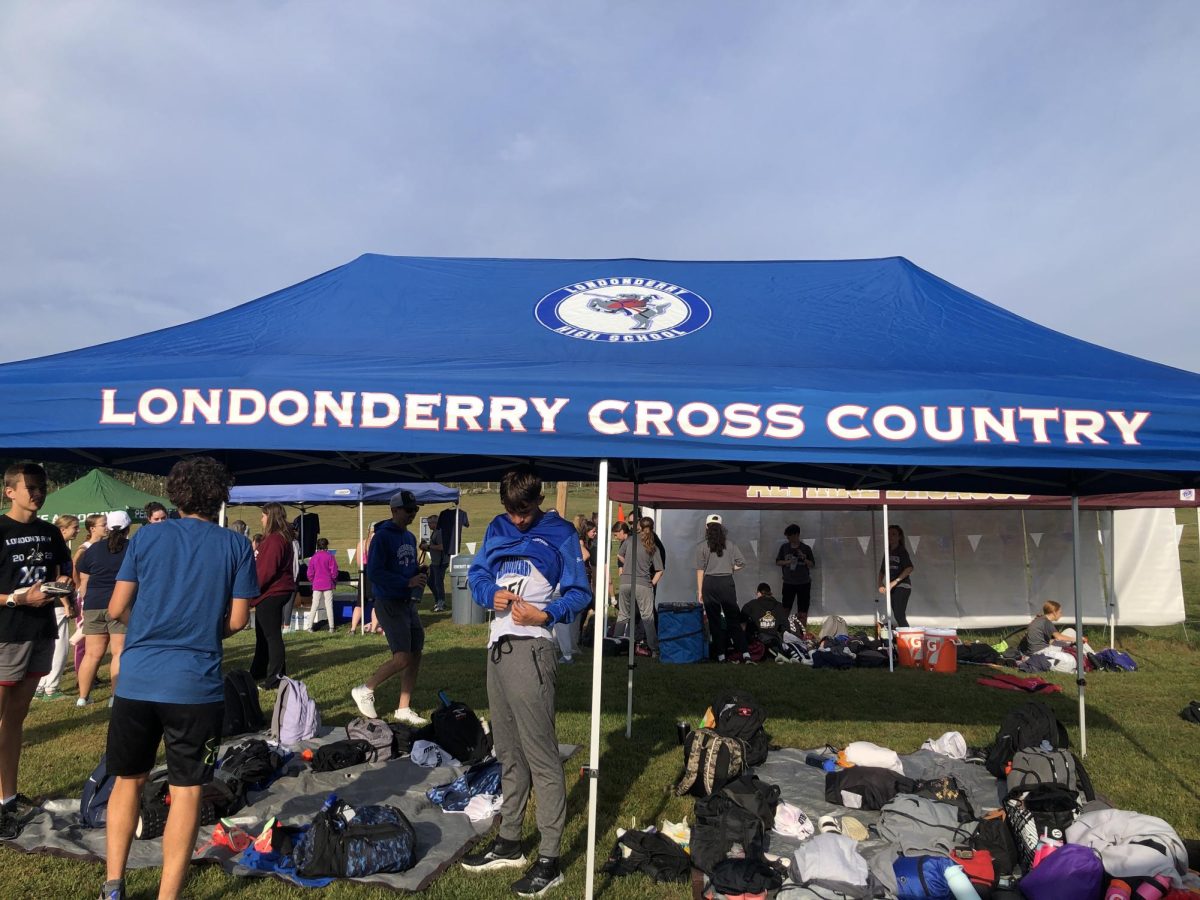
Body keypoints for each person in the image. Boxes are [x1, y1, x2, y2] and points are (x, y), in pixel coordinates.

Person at [100, 456, 256, 900]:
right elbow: (240, 620)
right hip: (195, 685)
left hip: (137, 680)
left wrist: (151, 623)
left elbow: (114, 609)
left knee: (127, 781)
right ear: (220, 496)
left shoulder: (147, 537)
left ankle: (113, 885)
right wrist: (204, 626)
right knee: (187, 791)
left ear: (176, 494)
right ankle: (168, 895)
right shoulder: (236, 545)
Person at [461, 465, 589, 896]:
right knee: (508, 753)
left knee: (542, 757)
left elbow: (579, 591)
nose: (518, 519)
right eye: (511, 511)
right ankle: (510, 840)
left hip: (532, 649)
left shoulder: (561, 533)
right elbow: (477, 573)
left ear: (538, 499)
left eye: (525, 510)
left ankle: (550, 859)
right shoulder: (497, 527)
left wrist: (546, 614)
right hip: (496, 649)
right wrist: (486, 594)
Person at [0, 463, 72, 840]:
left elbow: (64, 570)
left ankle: (7, 799)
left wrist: (61, 585)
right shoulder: (1, 528)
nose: (37, 492)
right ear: (9, 491)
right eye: (29, 486)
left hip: (40, 632)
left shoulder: (48, 532)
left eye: (41, 485)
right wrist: (17, 598)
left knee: (15, 721)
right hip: (4, 635)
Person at [351, 492, 428, 726]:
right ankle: (365, 689)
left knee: (415, 653)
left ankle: (403, 707)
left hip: (407, 602)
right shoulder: (382, 537)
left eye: (414, 510)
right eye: (408, 510)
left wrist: (419, 571)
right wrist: (406, 582)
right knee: (402, 657)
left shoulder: (409, 537)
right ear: (394, 511)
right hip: (389, 601)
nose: (412, 514)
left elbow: (407, 565)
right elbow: (374, 572)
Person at [76, 510, 133, 707]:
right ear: (128, 528)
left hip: (93, 604)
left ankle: (83, 697)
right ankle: (114, 697)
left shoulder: (93, 549)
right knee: (119, 652)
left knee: (92, 654)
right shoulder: (133, 547)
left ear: (107, 528)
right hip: (120, 604)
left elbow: (83, 574)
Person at [250, 502, 295, 689]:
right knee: (263, 634)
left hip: (272, 592)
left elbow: (266, 571)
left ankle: (276, 678)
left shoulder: (276, 540)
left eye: (263, 515)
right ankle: (259, 671)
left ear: (270, 517)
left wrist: (252, 591)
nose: (261, 519)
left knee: (271, 636)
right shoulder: (277, 539)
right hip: (272, 592)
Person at [34, 515, 79, 701]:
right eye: (74, 527)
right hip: (58, 603)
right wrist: (67, 603)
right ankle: (51, 688)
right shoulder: (58, 550)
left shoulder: (48, 548)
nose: (77, 530)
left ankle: (40, 686)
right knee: (59, 647)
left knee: (47, 646)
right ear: (62, 530)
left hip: (50, 602)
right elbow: (58, 580)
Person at [696, 514, 749, 663]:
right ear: (721, 528)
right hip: (726, 582)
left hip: (710, 583)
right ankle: (745, 652)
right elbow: (742, 562)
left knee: (714, 621)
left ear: (706, 527)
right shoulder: (730, 544)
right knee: (733, 619)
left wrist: (700, 590)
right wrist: (731, 568)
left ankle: (721, 655)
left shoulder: (701, 546)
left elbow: (700, 570)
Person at [616, 517, 664, 655]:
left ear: (639, 527)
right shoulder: (653, 545)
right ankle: (654, 649)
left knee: (622, 615)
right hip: (643, 583)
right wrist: (652, 583)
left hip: (625, 582)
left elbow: (619, 555)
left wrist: (627, 565)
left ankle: (615, 644)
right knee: (647, 617)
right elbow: (660, 570)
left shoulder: (630, 540)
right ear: (652, 527)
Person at [71, 514, 108, 678]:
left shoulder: (105, 546)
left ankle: (92, 674)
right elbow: (74, 567)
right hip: (86, 596)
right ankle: (81, 674)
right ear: (92, 528)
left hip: (98, 595)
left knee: (97, 639)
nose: (106, 527)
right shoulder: (84, 548)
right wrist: (80, 587)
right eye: (103, 524)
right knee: (83, 637)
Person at [775, 524, 816, 625]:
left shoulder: (806, 548)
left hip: (804, 582)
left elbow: (812, 564)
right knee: (785, 607)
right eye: (787, 536)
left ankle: (802, 631)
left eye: (790, 536)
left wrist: (803, 557)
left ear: (797, 535)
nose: (788, 538)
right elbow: (778, 562)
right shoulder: (784, 547)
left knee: (803, 608)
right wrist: (788, 562)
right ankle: (783, 628)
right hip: (789, 582)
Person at [878, 524, 915, 628]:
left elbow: (909, 568)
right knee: (897, 615)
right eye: (888, 534)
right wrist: (880, 584)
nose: (890, 536)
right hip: (892, 587)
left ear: (899, 537)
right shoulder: (887, 551)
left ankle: (907, 638)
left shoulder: (902, 551)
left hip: (902, 586)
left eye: (893, 534)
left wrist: (894, 582)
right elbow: (882, 571)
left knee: (899, 614)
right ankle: (905, 636)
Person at [307, 537, 339, 633]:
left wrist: (313, 580)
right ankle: (331, 627)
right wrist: (333, 580)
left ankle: (309, 627)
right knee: (329, 606)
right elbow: (334, 571)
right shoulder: (330, 557)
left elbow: (310, 573)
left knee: (314, 605)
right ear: (326, 546)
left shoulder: (313, 557)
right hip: (328, 583)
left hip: (317, 584)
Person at [422, 515, 447, 612]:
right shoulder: (435, 532)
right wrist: (426, 547)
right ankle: (438, 600)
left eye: (429, 523)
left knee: (438, 582)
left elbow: (442, 547)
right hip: (435, 561)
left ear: (435, 523)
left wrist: (429, 546)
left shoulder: (439, 533)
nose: (428, 525)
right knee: (430, 581)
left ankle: (441, 603)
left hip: (441, 562)